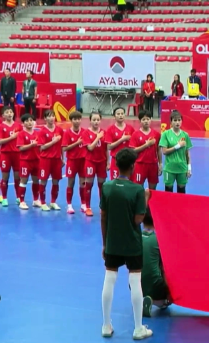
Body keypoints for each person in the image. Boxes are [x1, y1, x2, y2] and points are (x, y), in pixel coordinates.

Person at [100, 148, 152, 340]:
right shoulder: (137, 190)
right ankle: (138, 328)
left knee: (109, 279)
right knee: (135, 281)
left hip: (113, 241)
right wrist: (145, 199)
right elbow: (139, 219)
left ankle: (106, 325)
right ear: (133, 166)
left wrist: (105, 244)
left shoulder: (106, 187)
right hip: (132, 243)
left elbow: (103, 217)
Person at [141, 206, 171, 317]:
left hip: (136, 284)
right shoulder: (159, 240)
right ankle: (156, 301)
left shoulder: (136, 238)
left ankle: (141, 298)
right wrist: (169, 292)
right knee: (166, 302)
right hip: (155, 285)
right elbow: (164, 269)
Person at [159, 111, 192, 194]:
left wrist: (189, 168)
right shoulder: (166, 134)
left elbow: (187, 153)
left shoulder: (185, 135)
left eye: (179, 120)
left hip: (182, 168)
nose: (177, 122)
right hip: (170, 168)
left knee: (181, 191)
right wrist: (178, 146)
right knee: (168, 191)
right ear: (171, 122)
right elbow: (164, 151)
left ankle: (181, 207)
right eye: (175, 120)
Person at [82, 111, 107, 216]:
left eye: (98, 120)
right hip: (90, 162)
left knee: (102, 185)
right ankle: (87, 207)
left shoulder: (104, 132)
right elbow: (90, 148)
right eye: (94, 120)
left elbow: (106, 149)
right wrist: (97, 137)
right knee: (89, 184)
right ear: (90, 121)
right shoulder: (86, 133)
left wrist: (108, 162)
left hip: (102, 162)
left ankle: (102, 207)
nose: (96, 122)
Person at [38, 110, 63, 211]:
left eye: (53, 116)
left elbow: (61, 145)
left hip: (56, 159)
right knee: (43, 181)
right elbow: (42, 148)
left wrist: (63, 158)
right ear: (45, 118)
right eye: (49, 116)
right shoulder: (42, 131)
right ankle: (43, 202)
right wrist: (53, 142)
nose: (51, 118)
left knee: (56, 181)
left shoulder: (59, 130)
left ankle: (53, 202)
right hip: (46, 159)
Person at [0, 106, 21, 207]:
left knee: (17, 177)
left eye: (11, 112)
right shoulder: (1, 127)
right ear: (3, 116)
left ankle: (18, 197)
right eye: (7, 112)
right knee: (5, 177)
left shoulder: (18, 126)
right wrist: (11, 137)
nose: (10, 114)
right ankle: (4, 198)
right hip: (6, 154)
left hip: (17, 154)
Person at [130, 110, 161, 190]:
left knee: (153, 188)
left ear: (151, 119)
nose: (146, 121)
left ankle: (149, 203)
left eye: (148, 119)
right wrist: (146, 145)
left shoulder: (156, 134)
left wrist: (160, 164)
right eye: (143, 119)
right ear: (140, 121)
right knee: (138, 187)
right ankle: (140, 202)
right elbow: (133, 150)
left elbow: (158, 150)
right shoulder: (135, 134)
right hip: (140, 164)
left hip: (153, 165)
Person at [62, 111, 86, 214]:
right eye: (74, 119)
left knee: (83, 183)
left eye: (78, 119)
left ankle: (83, 204)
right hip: (72, 161)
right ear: (71, 121)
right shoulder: (67, 133)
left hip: (83, 160)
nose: (77, 121)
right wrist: (77, 143)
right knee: (70, 182)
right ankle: (69, 205)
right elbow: (64, 149)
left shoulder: (85, 131)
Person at [16, 113, 41, 210]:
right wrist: (31, 145)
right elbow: (20, 148)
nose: (29, 122)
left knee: (36, 180)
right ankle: (22, 201)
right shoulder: (21, 134)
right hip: (25, 161)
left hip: (36, 160)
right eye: (27, 121)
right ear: (23, 123)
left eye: (31, 120)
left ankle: (35, 200)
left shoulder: (37, 134)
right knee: (23, 181)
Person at [105, 107, 135, 180]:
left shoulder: (130, 128)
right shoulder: (110, 129)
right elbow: (109, 147)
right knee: (115, 181)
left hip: (128, 160)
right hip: (116, 160)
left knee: (129, 182)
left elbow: (134, 145)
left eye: (122, 113)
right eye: (118, 114)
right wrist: (122, 139)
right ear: (114, 116)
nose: (120, 115)